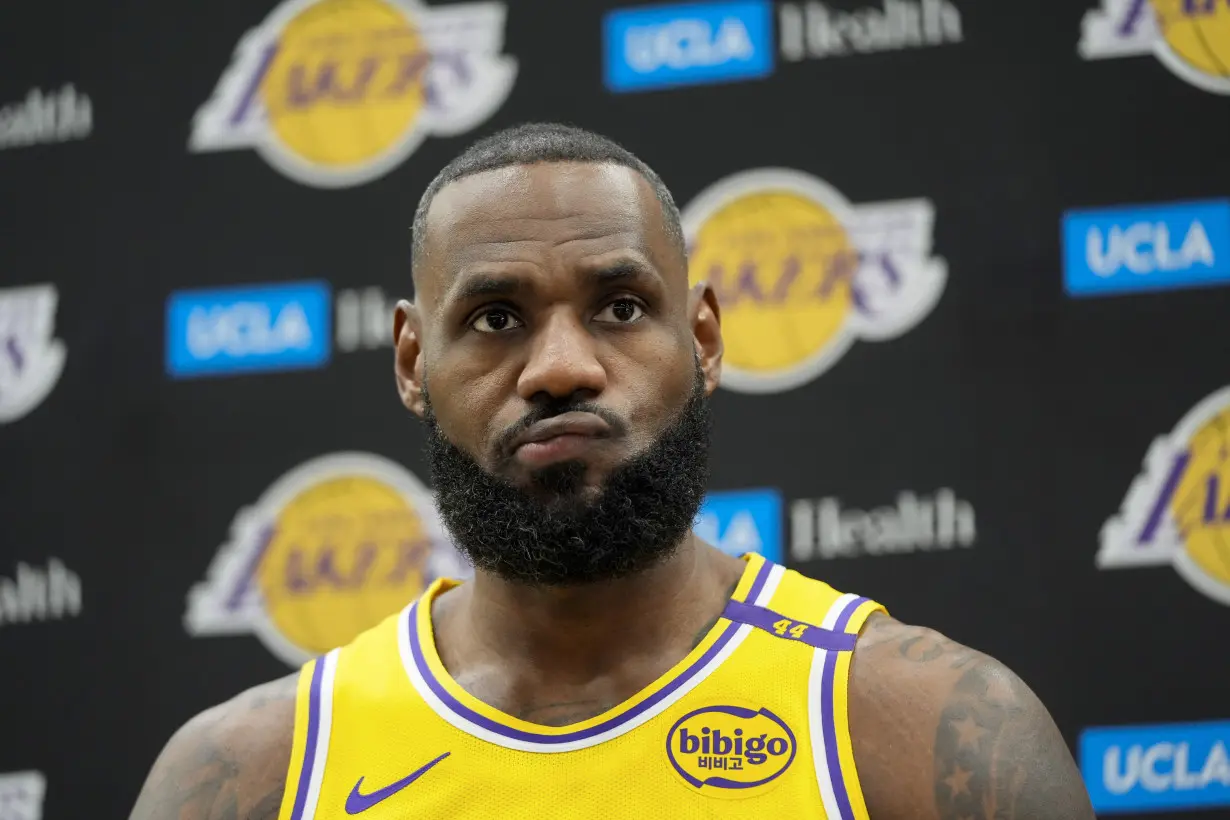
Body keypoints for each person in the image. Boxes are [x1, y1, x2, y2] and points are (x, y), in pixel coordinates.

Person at [129, 123, 1094, 819]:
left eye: (622, 307)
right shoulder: (255, 776)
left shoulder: (925, 734)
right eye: (496, 317)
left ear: (703, 339)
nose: (561, 368)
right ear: (414, 363)